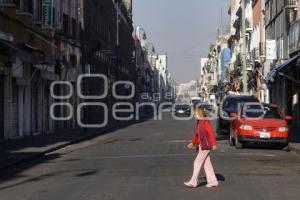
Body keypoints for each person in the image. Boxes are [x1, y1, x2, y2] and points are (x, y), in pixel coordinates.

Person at [184, 106, 219, 188]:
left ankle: (193, 181)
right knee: (207, 164)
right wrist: (192, 143)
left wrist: (214, 144)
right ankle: (213, 181)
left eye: (194, 114)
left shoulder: (205, 122)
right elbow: (197, 136)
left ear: (199, 114)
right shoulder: (199, 123)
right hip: (201, 146)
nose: (193, 115)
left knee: (196, 162)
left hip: (206, 146)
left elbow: (211, 134)